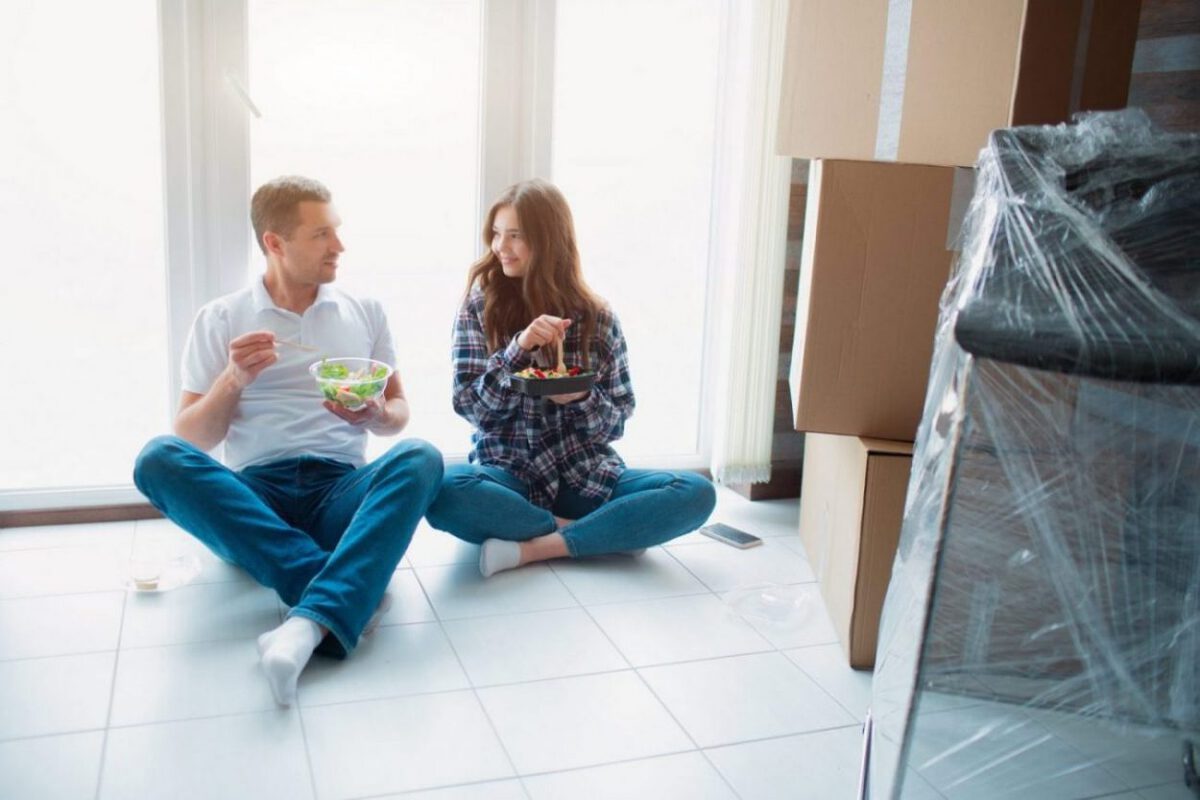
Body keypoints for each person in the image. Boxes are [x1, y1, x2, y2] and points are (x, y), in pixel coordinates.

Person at [133, 176, 442, 706]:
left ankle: (303, 624)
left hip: (339, 492)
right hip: (257, 497)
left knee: (423, 458)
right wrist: (233, 379)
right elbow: (190, 438)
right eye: (322, 234)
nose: (339, 247)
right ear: (275, 243)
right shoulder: (223, 318)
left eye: (336, 232)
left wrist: (373, 414)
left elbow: (399, 415)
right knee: (156, 459)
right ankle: (341, 593)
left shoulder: (365, 311)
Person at [426, 178, 715, 577]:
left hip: (587, 479)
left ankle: (535, 548)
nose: (499, 247)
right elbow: (470, 408)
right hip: (510, 478)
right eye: (496, 234)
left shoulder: (598, 318)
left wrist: (581, 399)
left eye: (515, 236)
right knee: (444, 490)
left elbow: (616, 422)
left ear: (548, 242)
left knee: (696, 493)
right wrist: (518, 349)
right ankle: (601, 535)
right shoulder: (480, 307)